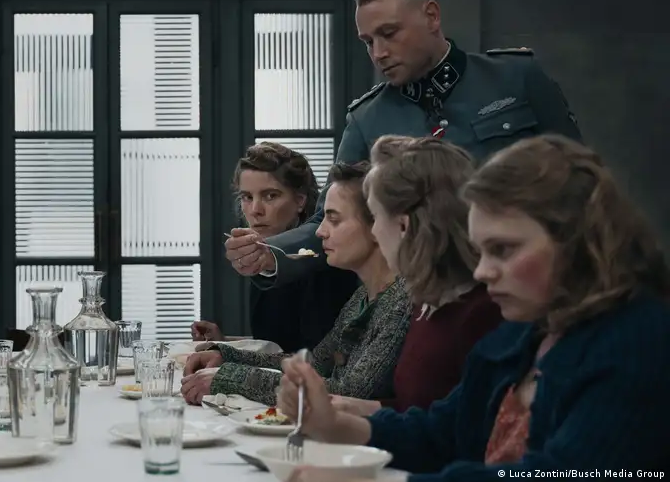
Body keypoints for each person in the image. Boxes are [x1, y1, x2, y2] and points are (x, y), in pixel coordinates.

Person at [279, 135, 670, 482]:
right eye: (481, 251)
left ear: (576, 241)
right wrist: (338, 427)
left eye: (503, 249)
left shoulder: (637, 344)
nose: (482, 271)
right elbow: (446, 431)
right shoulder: (527, 331)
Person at [225, 0, 582, 293]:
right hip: (426, 299)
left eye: (389, 33)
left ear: (431, 16)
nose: (379, 52)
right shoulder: (367, 119)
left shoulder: (516, 78)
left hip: (531, 281)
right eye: (368, 42)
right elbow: (330, 217)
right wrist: (270, 253)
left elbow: (579, 179)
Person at [180, 162, 411, 406]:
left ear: (377, 225)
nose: (319, 232)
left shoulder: (400, 301)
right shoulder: (364, 296)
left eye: (333, 219)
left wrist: (231, 378)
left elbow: (347, 393)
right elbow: (314, 364)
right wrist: (226, 356)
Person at [330, 136, 502, 417]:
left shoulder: (482, 312)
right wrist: (356, 408)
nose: (374, 231)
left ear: (403, 226)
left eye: (375, 216)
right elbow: (421, 409)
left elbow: (466, 431)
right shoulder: (428, 298)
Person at [191, 142, 358, 352]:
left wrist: (226, 353)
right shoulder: (264, 257)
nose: (255, 210)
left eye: (270, 196)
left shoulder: (322, 260)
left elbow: (316, 360)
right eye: (247, 197)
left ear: (300, 201)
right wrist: (225, 342)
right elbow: (275, 343)